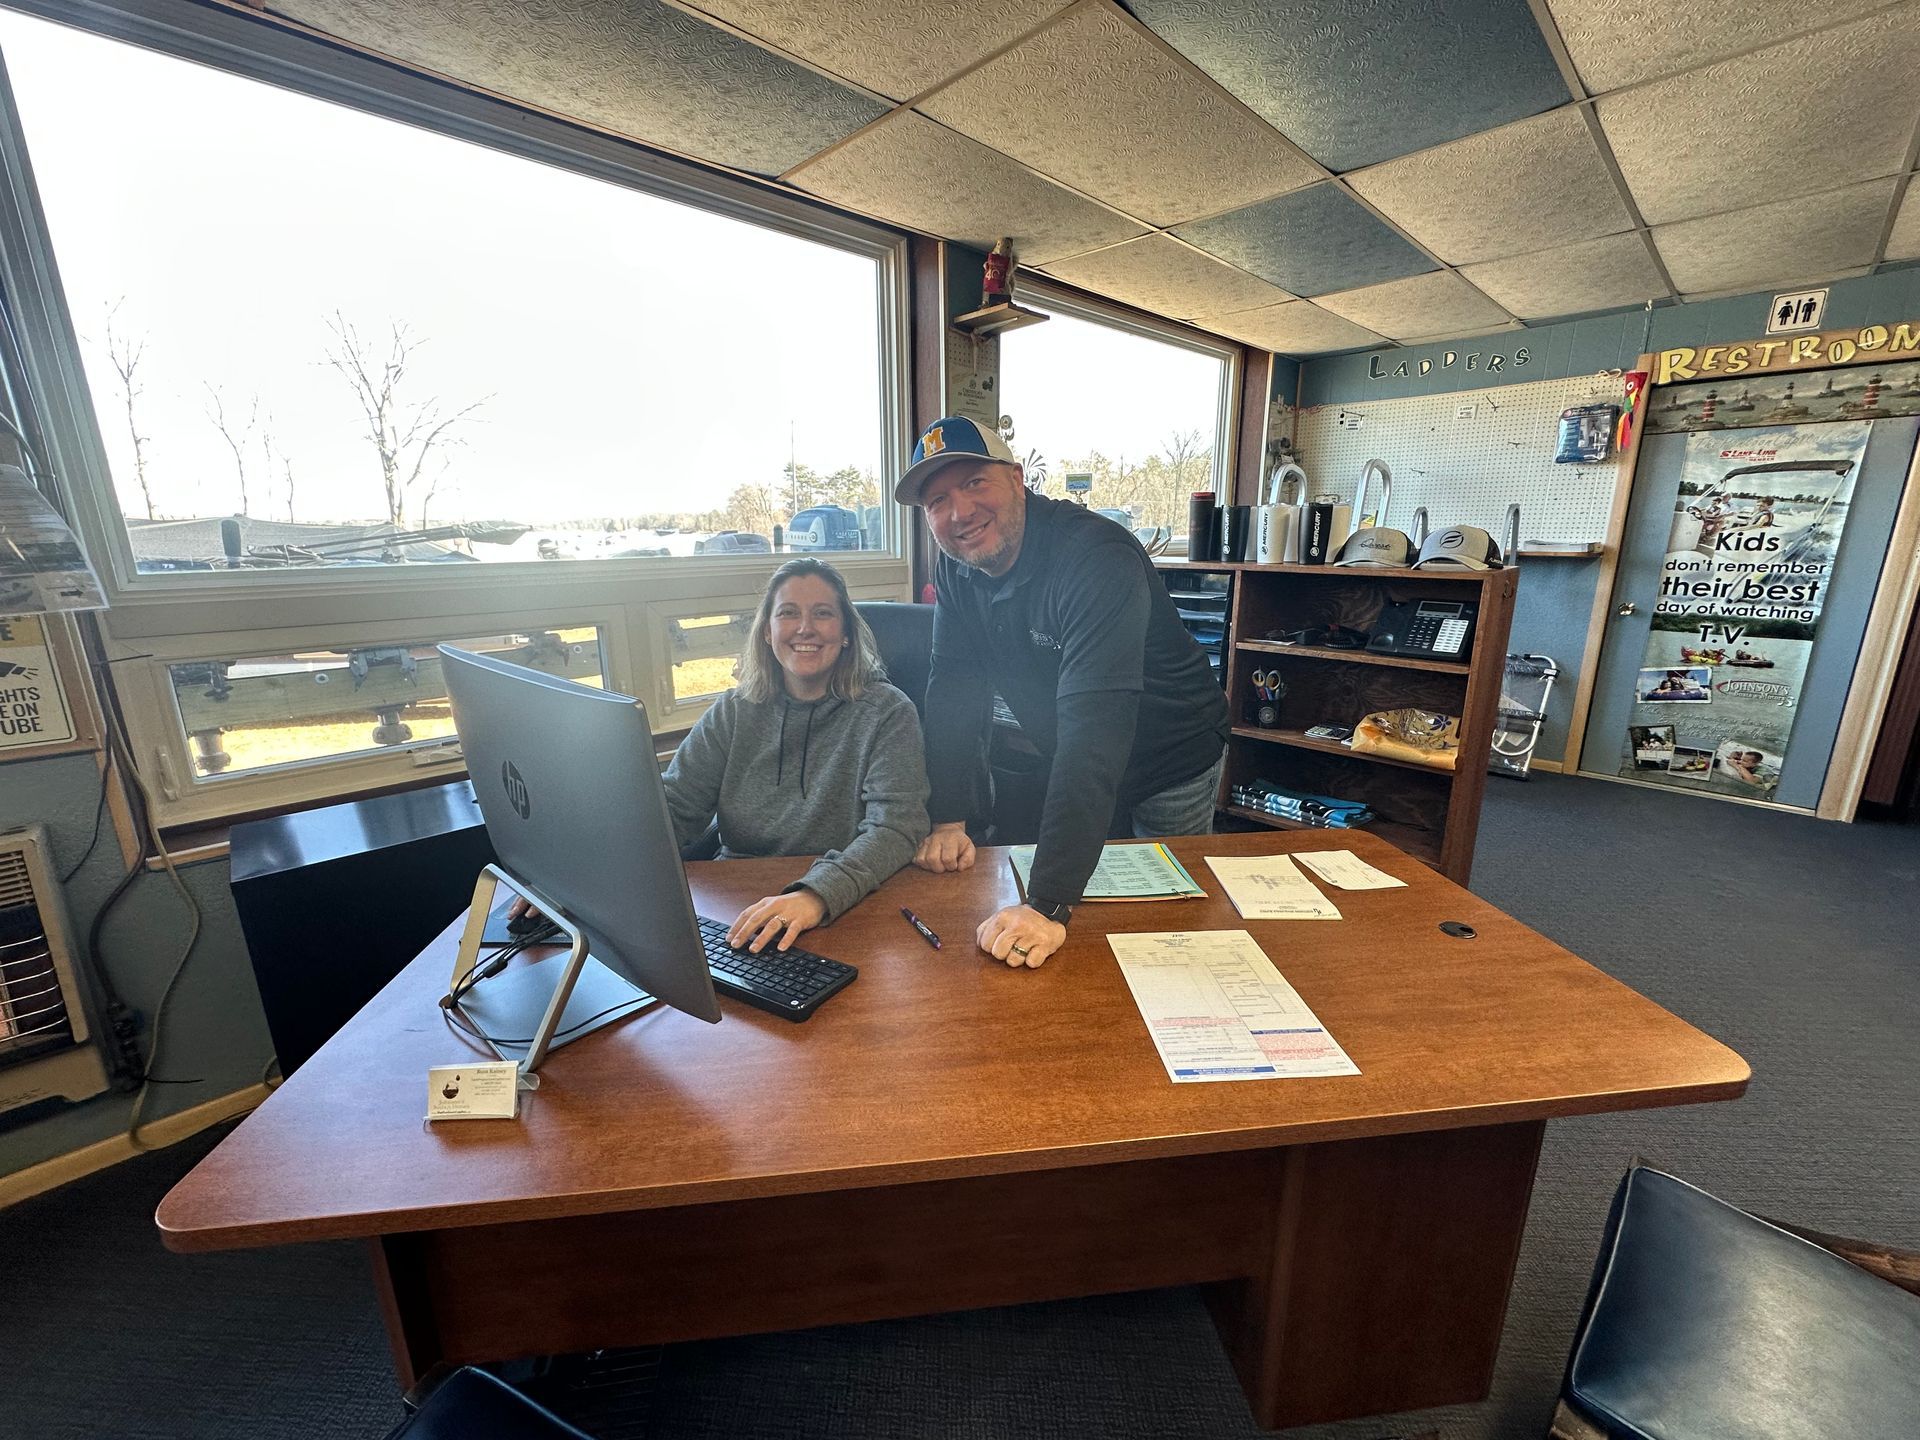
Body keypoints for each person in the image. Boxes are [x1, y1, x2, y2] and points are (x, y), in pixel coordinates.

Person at [899, 415, 1230, 970]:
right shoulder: (958, 569)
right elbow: (953, 689)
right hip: (1078, 754)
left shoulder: (1094, 556)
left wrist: (1047, 902)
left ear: (1017, 478)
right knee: (1089, 918)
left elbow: (1094, 730)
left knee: (1167, 922)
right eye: (937, 500)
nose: (959, 512)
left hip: (1168, 753)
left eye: (975, 483)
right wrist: (948, 817)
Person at [513, 558, 929, 954]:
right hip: (734, 905)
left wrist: (814, 895)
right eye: (787, 613)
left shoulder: (887, 712)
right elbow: (673, 808)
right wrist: (583, 876)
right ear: (767, 631)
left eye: (822, 613)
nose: (805, 628)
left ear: (846, 634)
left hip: (840, 907)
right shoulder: (735, 708)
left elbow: (895, 830)